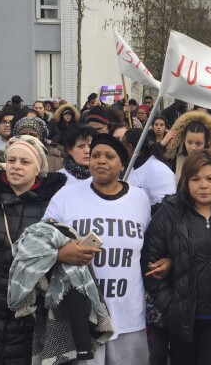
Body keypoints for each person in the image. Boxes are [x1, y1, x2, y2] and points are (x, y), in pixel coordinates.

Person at [44, 133, 152, 365]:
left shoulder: (140, 199)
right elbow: (39, 243)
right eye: (95, 155)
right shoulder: (66, 196)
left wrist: (164, 263)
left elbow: (151, 247)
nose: (100, 161)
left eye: (109, 156)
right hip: (81, 316)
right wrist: (60, 254)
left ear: (122, 163)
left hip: (128, 317)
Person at [142, 149, 211, 365]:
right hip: (183, 321)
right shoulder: (169, 212)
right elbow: (150, 262)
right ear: (186, 181)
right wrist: (171, 305)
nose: (203, 185)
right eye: (196, 179)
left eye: (210, 179)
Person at [0, 135, 67, 363]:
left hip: (28, 314)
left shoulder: (54, 204)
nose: (16, 166)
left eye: (25, 162)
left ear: (38, 168)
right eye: (12, 160)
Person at [165, 111, 211, 184]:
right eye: (189, 142)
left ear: (206, 143)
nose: (193, 148)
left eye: (198, 143)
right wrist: (162, 144)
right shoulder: (175, 160)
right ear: (183, 140)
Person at [122, 128, 175, 207]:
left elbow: (166, 208)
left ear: (129, 147)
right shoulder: (132, 167)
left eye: (122, 145)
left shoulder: (159, 171)